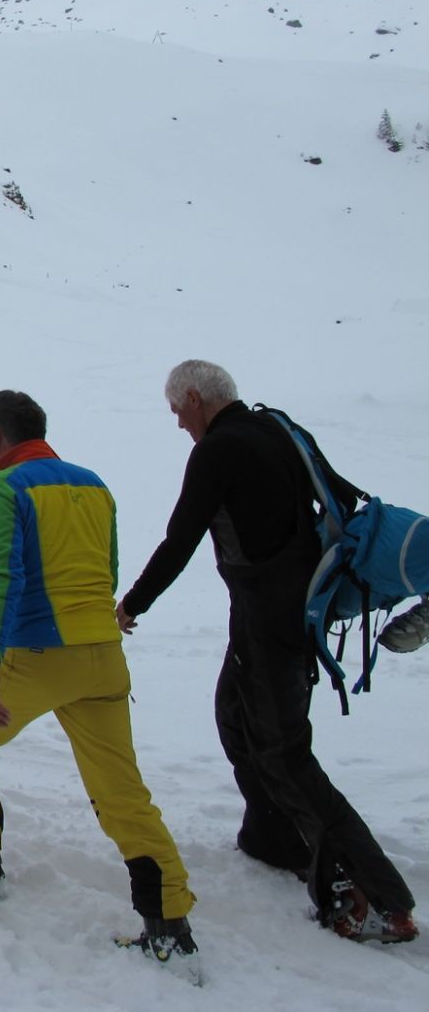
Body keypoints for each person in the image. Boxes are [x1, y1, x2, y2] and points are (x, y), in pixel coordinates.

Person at [117, 360, 417, 945]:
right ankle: (276, 837)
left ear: (197, 398)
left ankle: (379, 896)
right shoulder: (275, 427)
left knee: (284, 754)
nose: (179, 425)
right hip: (288, 610)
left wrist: (132, 604)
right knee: (234, 716)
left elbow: (180, 538)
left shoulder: (218, 450)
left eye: (179, 412)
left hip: (271, 620)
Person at [0, 390, 198, 969]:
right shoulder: (93, 484)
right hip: (104, 655)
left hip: (37, 655)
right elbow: (108, 570)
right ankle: (169, 927)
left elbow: (1, 576)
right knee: (124, 793)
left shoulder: (5, 487)